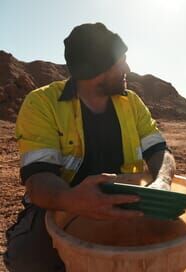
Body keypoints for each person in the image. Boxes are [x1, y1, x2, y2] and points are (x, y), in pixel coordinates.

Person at [4, 22, 176, 271]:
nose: (127, 68)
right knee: (28, 258)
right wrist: (71, 199)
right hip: (64, 205)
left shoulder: (132, 103)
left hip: (129, 201)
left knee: (168, 241)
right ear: (98, 69)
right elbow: (38, 178)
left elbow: (160, 150)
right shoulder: (42, 103)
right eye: (121, 61)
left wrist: (162, 181)